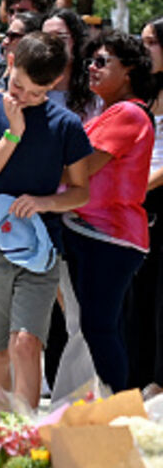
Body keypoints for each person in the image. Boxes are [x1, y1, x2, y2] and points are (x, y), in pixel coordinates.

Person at [0, 32, 92, 409]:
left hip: (40, 250)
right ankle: (2, 442)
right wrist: (12, 135)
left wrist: (45, 202)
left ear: (53, 85)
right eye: (17, 85)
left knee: (27, 343)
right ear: (10, 63)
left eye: (34, 92)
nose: (21, 97)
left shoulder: (65, 124)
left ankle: (28, 439)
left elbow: (81, 191)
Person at [62, 31, 154, 392]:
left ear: (129, 70)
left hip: (110, 236)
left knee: (99, 327)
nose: (91, 68)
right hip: (91, 233)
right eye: (90, 61)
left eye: (102, 62)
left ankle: (122, 408)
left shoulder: (128, 113)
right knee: (99, 327)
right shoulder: (109, 111)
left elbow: (80, 169)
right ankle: (115, 406)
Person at [128, 17, 163, 390]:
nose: (144, 48)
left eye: (151, 42)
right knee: (137, 295)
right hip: (135, 202)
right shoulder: (141, 91)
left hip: (152, 195)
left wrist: (139, 186)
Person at [42, 9, 98, 121]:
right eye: (45, 38)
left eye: (61, 37)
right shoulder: (28, 93)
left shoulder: (95, 96)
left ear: (76, 41)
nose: (52, 44)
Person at [0, 10, 43, 94]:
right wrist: (4, 80)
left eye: (13, 36)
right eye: (6, 35)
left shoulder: (48, 76)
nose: (5, 42)